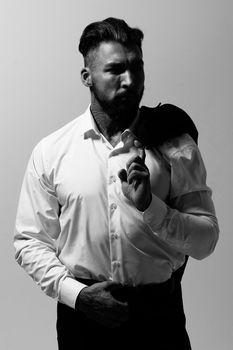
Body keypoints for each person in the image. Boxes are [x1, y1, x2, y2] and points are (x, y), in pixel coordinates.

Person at [14, 17, 219, 349]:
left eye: (137, 68)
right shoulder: (51, 151)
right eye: (115, 70)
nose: (129, 80)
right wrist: (77, 296)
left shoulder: (176, 145)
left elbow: (206, 241)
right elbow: (28, 242)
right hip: (82, 317)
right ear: (87, 77)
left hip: (159, 318)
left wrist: (151, 207)